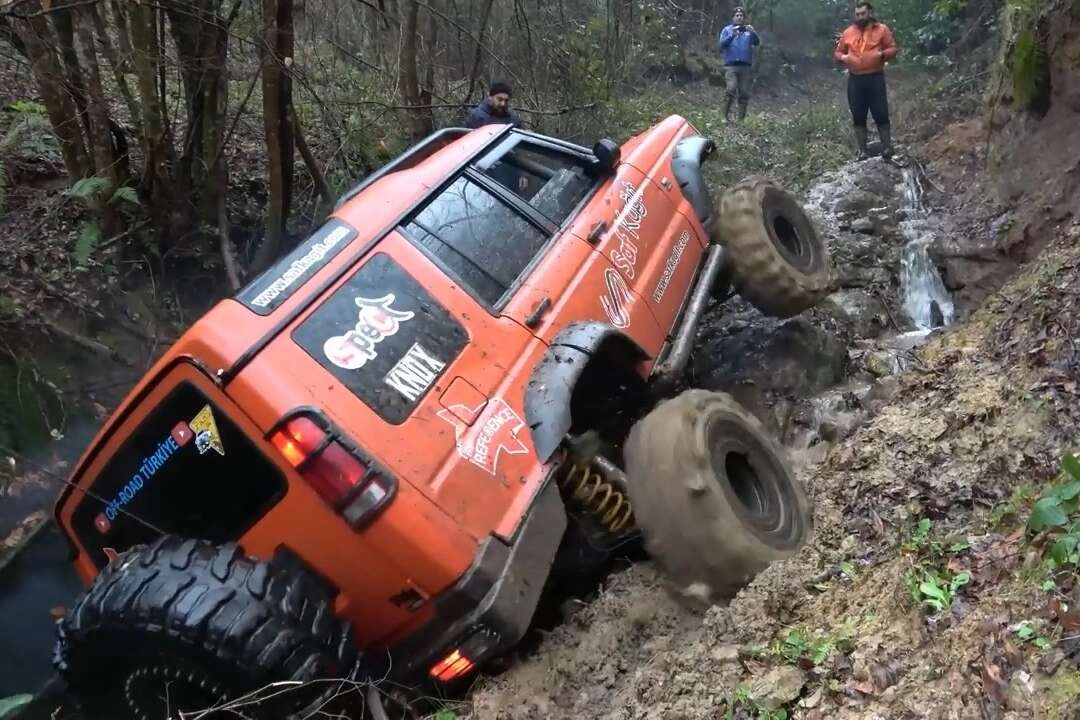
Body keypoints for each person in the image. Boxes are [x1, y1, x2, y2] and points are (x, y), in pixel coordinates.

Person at [834, 1, 898, 159]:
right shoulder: (848, 32)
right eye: (857, 14)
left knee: (880, 113)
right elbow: (837, 53)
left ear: (870, 13)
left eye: (863, 13)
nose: (860, 17)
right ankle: (863, 151)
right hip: (855, 80)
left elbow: (893, 48)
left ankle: (887, 148)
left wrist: (882, 55)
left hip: (875, 77)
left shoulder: (882, 29)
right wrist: (844, 57)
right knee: (858, 114)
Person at [717, 6, 761, 123]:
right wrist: (732, 35)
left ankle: (741, 120)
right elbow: (722, 45)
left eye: (741, 16)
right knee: (731, 88)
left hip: (745, 67)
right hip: (731, 66)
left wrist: (754, 32)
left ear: (744, 18)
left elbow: (757, 42)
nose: (739, 17)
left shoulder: (748, 31)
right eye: (737, 15)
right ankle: (724, 117)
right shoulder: (727, 30)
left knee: (744, 92)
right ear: (733, 17)